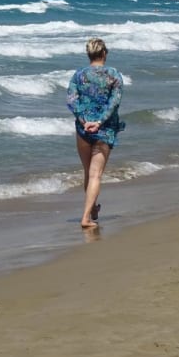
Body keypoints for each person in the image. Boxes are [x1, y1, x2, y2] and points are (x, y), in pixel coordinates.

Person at [66, 37, 124, 229]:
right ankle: (86, 218)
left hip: (83, 129)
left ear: (88, 54)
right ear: (104, 53)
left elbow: (72, 101)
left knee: (88, 172)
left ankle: (92, 210)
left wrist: (84, 121)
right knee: (95, 175)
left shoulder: (78, 75)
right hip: (104, 129)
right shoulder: (114, 74)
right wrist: (99, 122)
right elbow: (114, 102)